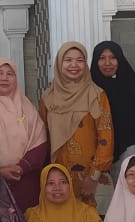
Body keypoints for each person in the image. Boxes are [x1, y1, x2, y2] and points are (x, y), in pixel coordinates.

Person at [0, 57, 50, 211]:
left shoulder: (27, 108)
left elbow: (39, 141)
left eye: (10, 74)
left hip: (25, 181)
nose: (4, 78)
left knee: (27, 221)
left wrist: (22, 167)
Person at [40, 42, 114, 205]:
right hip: (58, 180)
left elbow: (106, 137)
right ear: (59, 63)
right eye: (68, 60)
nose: (74, 65)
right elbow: (43, 137)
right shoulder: (48, 98)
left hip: (90, 179)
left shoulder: (96, 95)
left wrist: (93, 176)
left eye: (80, 60)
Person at [90, 41, 135, 212]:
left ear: (120, 60)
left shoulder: (133, 87)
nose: (108, 63)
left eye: (113, 57)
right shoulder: (89, 91)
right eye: (102, 58)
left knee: (132, 199)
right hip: (97, 154)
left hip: (128, 151)